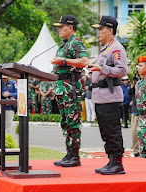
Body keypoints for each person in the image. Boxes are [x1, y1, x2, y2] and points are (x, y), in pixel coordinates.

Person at [89, 16, 128, 175]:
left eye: (101, 29)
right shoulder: (106, 48)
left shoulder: (116, 48)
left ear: (110, 30)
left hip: (110, 97)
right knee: (105, 131)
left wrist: (101, 68)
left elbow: (122, 70)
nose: (98, 32)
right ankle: (111, 160)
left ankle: (118, 163)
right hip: (101, 96)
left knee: (112, 131)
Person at [51, 15, 89, 167]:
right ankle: (69, 153)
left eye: (62, 26)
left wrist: (64, 61)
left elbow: (84, 62)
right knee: (65, 122)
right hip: (62, 88)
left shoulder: (76, 43)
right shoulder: (64, 44)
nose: (59, 29)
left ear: (71, 27)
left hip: (71, 88)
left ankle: (75, 155)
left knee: (73, 122)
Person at [128, 75, 140, 157]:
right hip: (134, 111)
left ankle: (137, 149)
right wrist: (132, 85)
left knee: (138, 132)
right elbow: (130, 93)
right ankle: (135, 148)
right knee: (133, 132)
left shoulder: (144, 84)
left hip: (141, 112)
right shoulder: (134, 86)